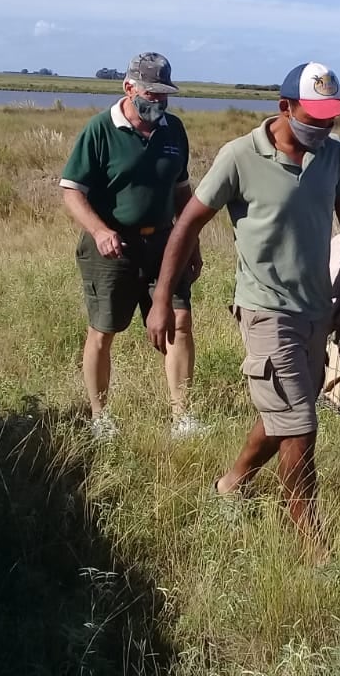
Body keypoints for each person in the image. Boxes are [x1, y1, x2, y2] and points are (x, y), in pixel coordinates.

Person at [147, 62, 340, 556]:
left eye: (332, 117)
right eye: (315, 117)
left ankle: (231, 483)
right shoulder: (239, 157)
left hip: (318, 307)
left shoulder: (334, 157)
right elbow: (186, 225)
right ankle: (314, 545)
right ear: (285, 108)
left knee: (285, 413)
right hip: (266, 310)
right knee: (301, 423)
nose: (325, 127)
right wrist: (162, 297)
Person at [59, 52, 204, 441]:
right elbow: (72, 191)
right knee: (103, 331)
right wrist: (99, 230)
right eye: (151, 94)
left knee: (179, 321)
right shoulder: (100, 130)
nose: (157, 102)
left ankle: (182, 417)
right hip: (112, 249)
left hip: (164, 244)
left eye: (164, 95)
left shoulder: (173, 131)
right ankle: (100, 417)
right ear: (129, 88)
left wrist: (192, 242)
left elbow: (181, 190)